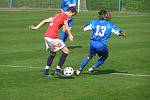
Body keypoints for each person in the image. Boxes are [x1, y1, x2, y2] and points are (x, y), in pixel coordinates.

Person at [75, 9, 126, 75]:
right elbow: (118, 32)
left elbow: (84, 27)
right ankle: (93, 68)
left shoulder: (94, 22)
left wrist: (87, 26)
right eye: (108, 15)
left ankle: (79, 70)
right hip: (101, 44)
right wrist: (123, 34)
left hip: (93, 43)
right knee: (105, 56)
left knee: (89, 56)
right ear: (106, 16)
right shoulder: (110, 25)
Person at [30, 7, 77, 77]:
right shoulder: (65, 16)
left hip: (46, 36)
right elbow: (66, 25)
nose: (72, 16)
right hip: (52, 37)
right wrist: (70, 35)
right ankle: (58, 70)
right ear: (70, 12)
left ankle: (46, 71)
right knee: (66, 51)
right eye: (73, 15)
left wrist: (36, 27)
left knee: (53, 53)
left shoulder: (57, 15)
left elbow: (45, 20)